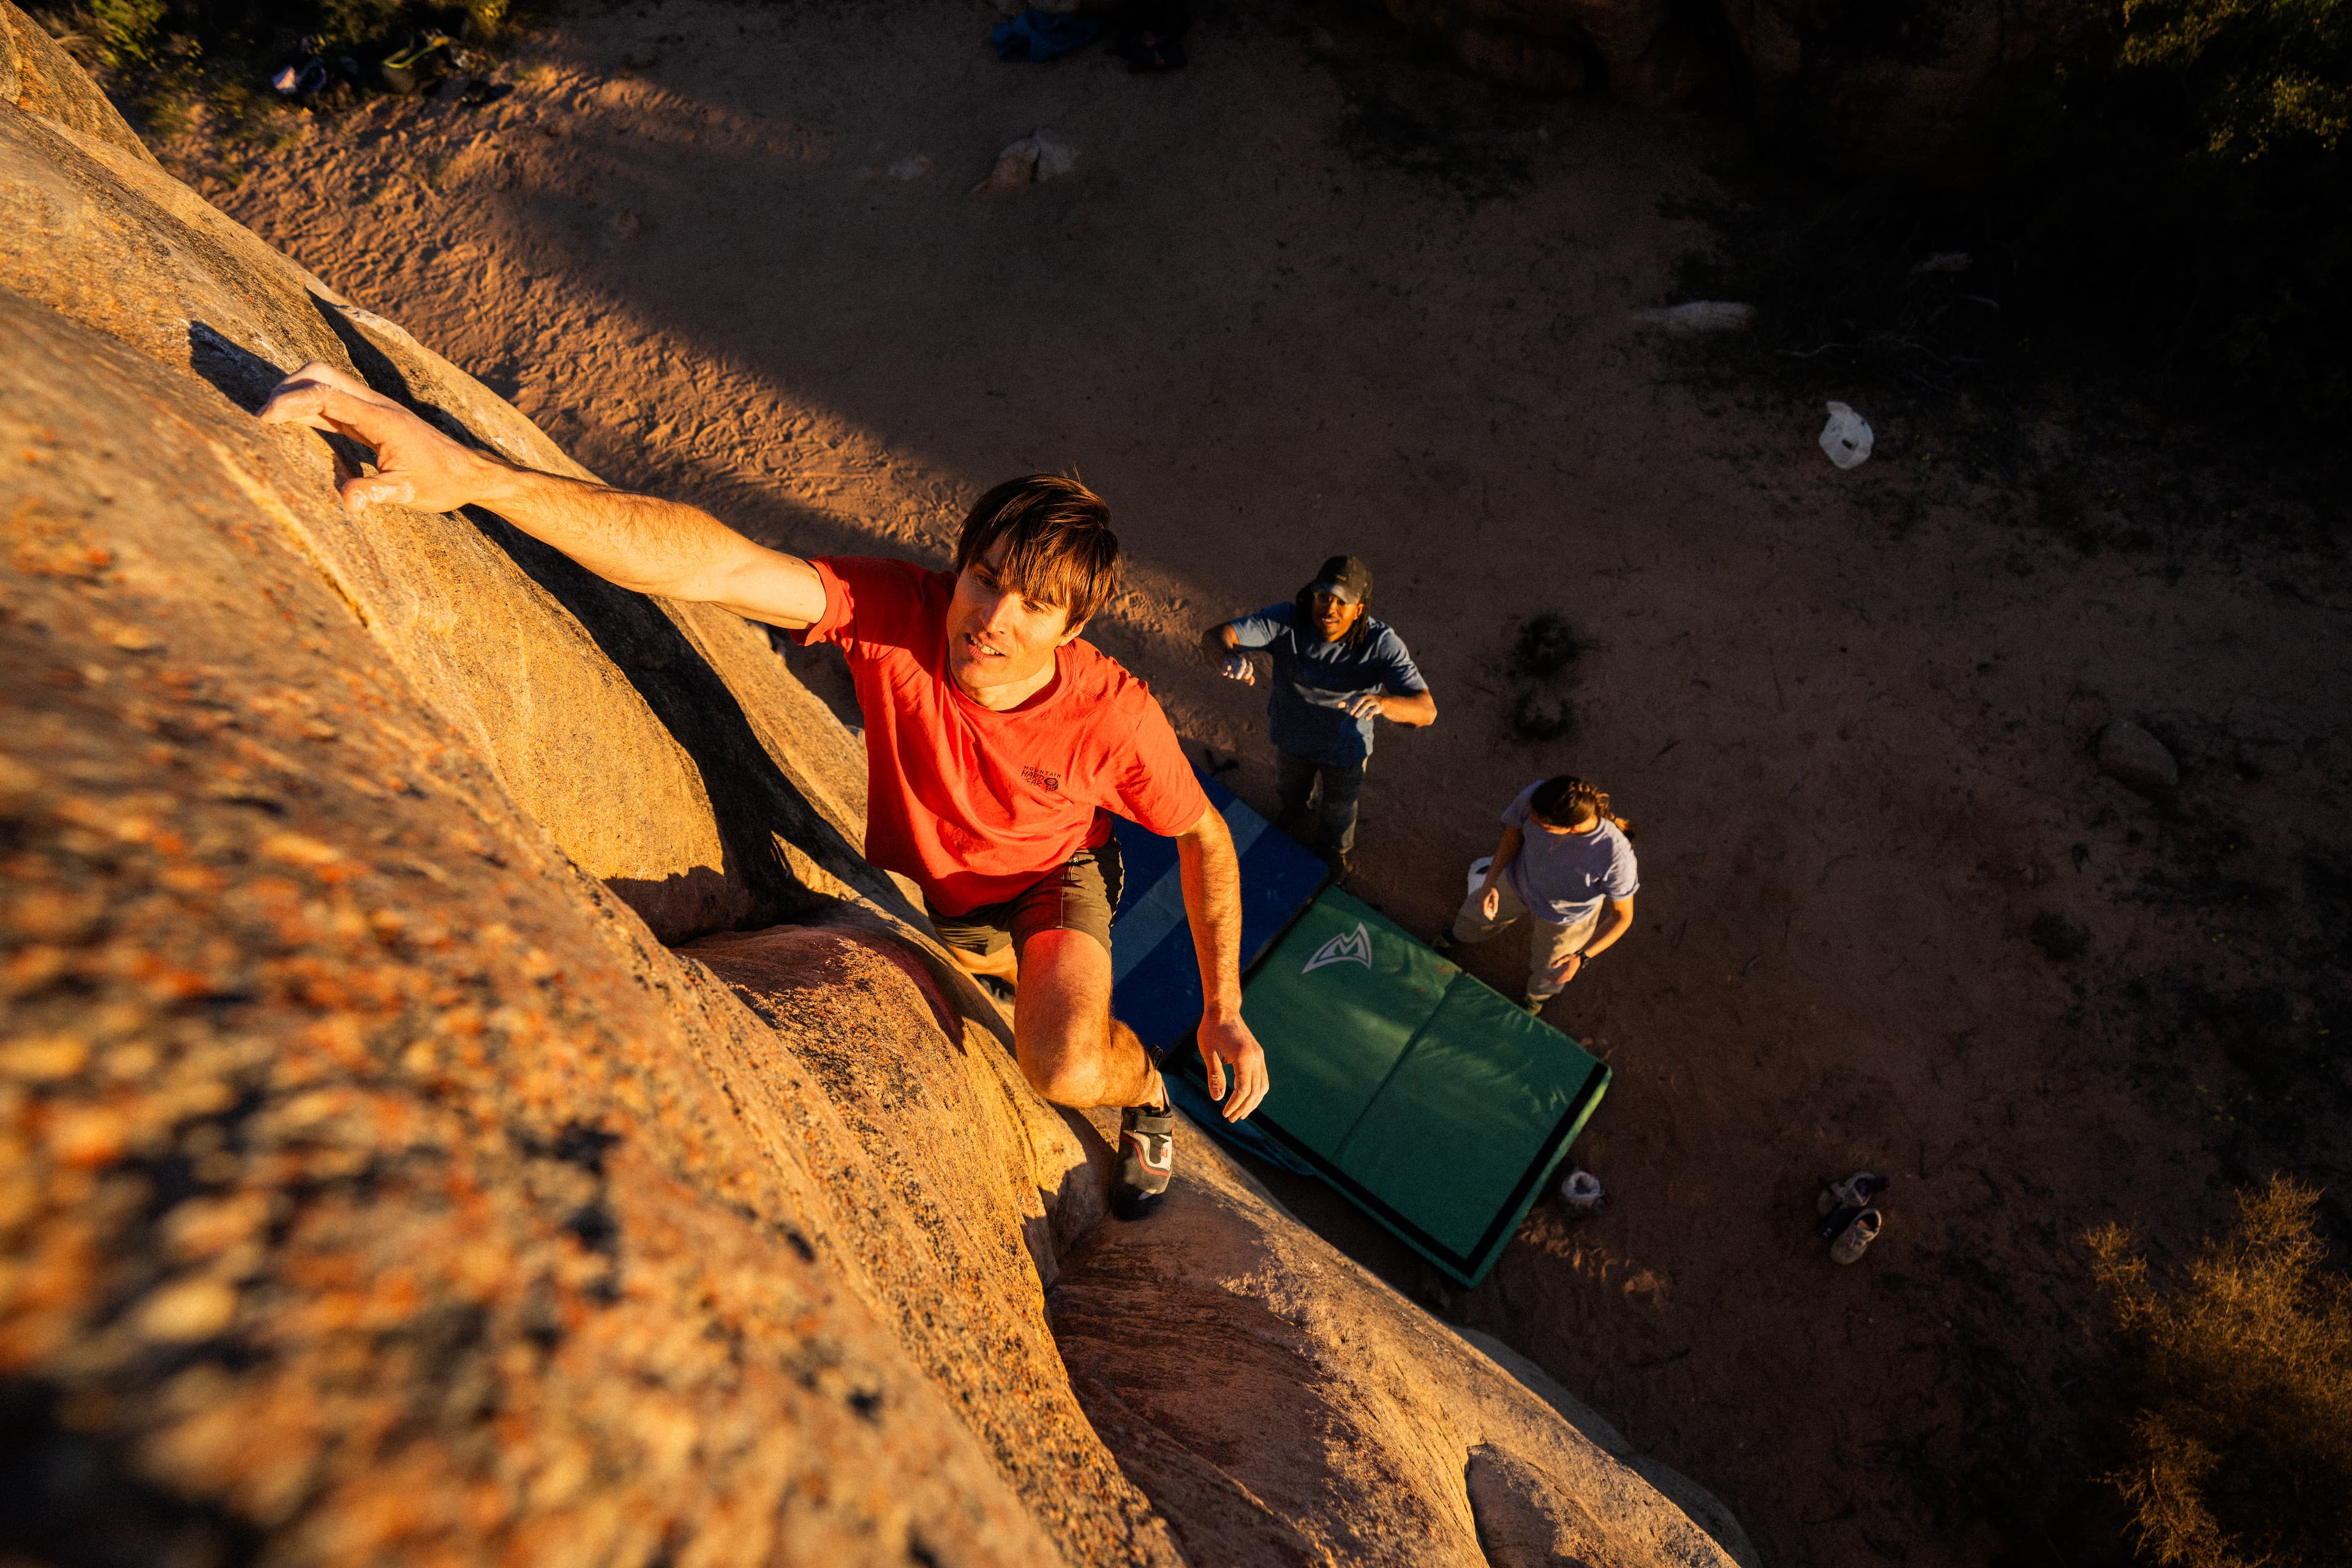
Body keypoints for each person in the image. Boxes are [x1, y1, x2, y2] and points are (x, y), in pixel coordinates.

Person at [255, 361, 1268, 1219]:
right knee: (987, 977)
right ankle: (1016, 976)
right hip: (948, 896)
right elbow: (718, 566)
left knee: (1059, 1065)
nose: (995, 618)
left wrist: (1221, 1008)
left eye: (1036, 604)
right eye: (986, 577)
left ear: (1074, 629)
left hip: (1052, 873)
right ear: (959, 567)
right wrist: (472, 476)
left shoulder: (1112, 716)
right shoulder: (895, 610)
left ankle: (1146, 1092)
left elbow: (1205, 839)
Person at [1199, 555, 1436, 876]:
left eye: (1342, 602)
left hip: (1346, 752)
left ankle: (1334, 852)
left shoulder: (1381, 644)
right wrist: (1227, 658)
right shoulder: (1285, 621)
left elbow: (1426, 710)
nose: (1329, 609)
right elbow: (1215, 637)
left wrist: (1383, 703)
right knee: (1290, 789)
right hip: (1291, 739)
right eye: (1324, 597)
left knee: (1340, 809)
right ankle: (1297, 811)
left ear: (1359, 610)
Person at [1438, 775, 1638, 1015]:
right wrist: (1490, 882)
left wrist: (1581, 957)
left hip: (1565, 920)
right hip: (1515, 883)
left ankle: (1535, 999)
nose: (1532, 820)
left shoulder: (1616, 857)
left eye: (1543, 825)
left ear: (1572, 829)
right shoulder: (1536, 798)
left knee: (1551, 971)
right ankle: (1454, 937)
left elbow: (1622, 917)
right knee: (1474, 918)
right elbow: (1513, 835)